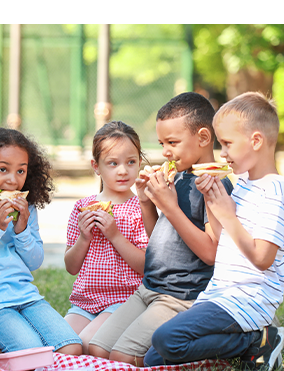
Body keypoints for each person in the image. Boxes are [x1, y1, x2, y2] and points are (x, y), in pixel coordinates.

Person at [89, 92, 234, 366]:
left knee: (122, 357)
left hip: (180, 296)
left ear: (203, 138)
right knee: (97, 350)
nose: (165, 151)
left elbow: (212, 253)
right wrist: (147, 202)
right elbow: (160, 237)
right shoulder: (178, 176)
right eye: (162, 143)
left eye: (173, 142)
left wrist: (169, 207)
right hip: (148, 288)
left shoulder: (214, 184)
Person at [144, 92, 284, 371]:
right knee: (154, 357)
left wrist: (227, 214)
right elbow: (223, 240)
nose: (223, 154)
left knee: (167, 339)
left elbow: (262, 258)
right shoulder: (243, 183)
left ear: (255, 141)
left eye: (229, 144)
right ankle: (242, 346)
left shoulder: (274, 192)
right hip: (219, 293)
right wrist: (211, 201)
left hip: (248, 300)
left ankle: (258, 341)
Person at [0, 127, 83, 355]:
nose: (13, 180)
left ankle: (1, 348)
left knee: (72, 348)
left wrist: (22, 230)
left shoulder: (26, 207)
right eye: (2, 169)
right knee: (30, 351)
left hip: (25, 296)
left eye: (21, 171)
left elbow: (34, 262)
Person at [64, 121, 149, 354]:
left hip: (124, 300)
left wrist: (114, 235)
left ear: (139, 162)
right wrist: (84, 238)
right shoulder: (83, 207)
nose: (123, 170)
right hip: (85, 302)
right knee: (63, 344)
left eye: (131, 162)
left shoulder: (141, 209)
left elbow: (146, 266)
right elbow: (71, 267)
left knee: (88, 343)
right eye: (113, 163)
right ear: (96, 166)